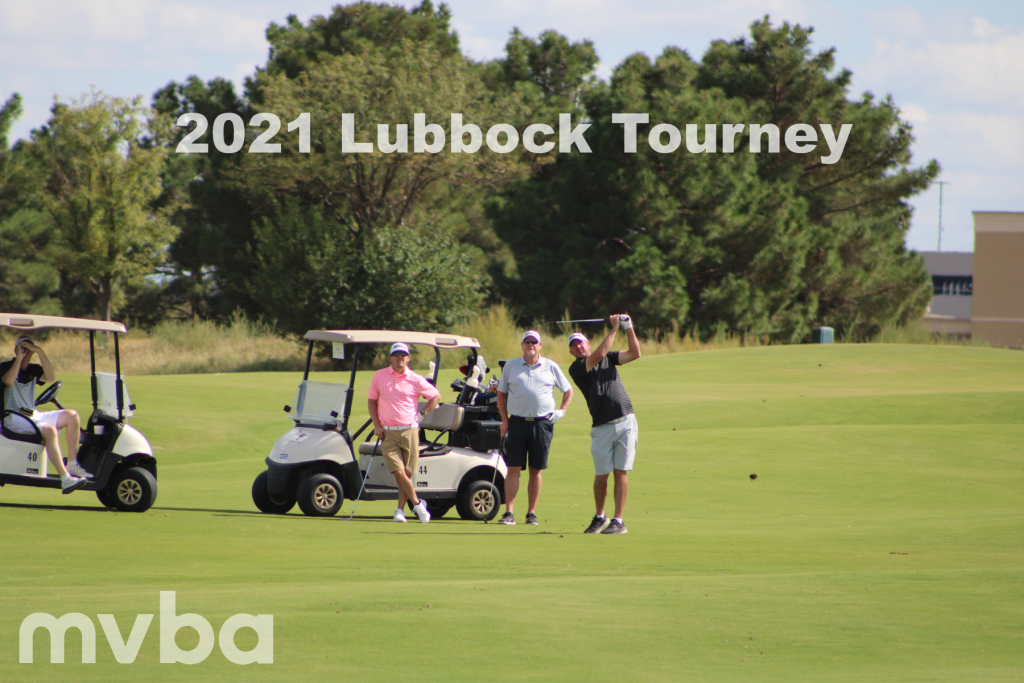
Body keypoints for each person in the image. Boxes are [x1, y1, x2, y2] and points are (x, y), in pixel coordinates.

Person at [567, 314, 641, 535]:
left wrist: (628, 326)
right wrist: (614, 327)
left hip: (626, 419)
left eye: (581, 342)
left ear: (587, 343)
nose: (578, 346)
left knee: (621, 472)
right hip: (601, 426)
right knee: (601, 476)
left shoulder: (609, 358)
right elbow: (599, 354)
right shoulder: (577, 368)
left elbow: (635, 353)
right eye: (573, 345)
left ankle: (618, 520)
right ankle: (600, 516)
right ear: (571, 352)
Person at [496, 330, 573, 526]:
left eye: (534, 342)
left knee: (536, 470)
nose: (530, 344)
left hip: (542, 423)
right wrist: (505, 421)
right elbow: (501, 394)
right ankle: (509, 513)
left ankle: (531, 513)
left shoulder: (550, 366)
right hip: (517, 422)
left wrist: (562, 410)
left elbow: (568, 390)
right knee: (513, 468)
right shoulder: (511, 366)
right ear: (522, 345)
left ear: (540, 346)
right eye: (526, 342)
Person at [1, 335, 88, 493]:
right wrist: (19, 358)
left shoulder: (34, 370)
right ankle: (65, 478)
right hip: (13, 417)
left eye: (29, 349)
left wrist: (40, 352)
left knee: (72, 415)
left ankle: (72, 464)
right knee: (49, 430)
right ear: (16, 349)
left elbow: (51, 377)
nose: (26, 352)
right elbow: (8, 381)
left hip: (31, 415)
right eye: (22, 348)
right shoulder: (6, 367)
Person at [367, 342, 441, 523]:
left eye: (403, 355)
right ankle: (417, 505)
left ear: (408, 358)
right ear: (390, 357)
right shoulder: (379, 376)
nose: (400, 358)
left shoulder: (415, 379)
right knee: (399, 472)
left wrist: (422, 414)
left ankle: (399, 511)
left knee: (406, 474)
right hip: (388, 433)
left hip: (410, 431)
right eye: (396, 355)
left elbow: (435, 396)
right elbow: (371, 401)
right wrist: (377, 426)